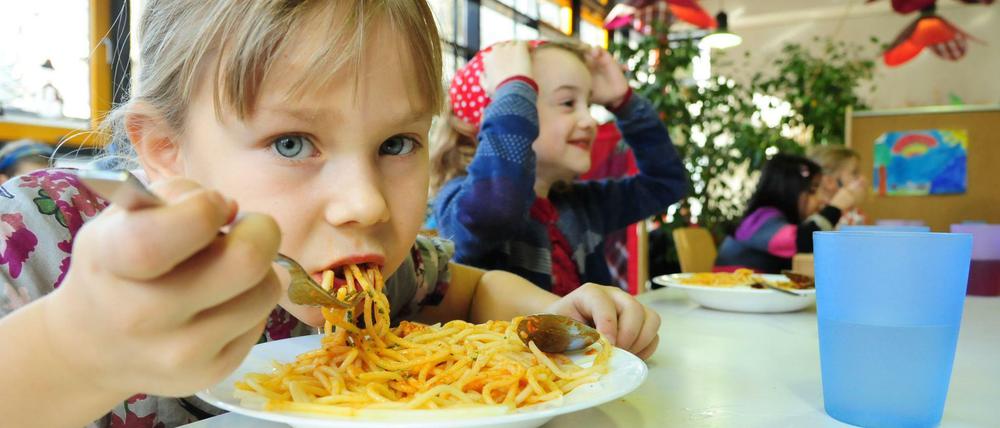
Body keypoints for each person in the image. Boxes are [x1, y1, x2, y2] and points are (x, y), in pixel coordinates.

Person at [0, 2, 660, 427]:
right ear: (167, 151)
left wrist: (551, 314)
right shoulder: (39, 235)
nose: (367, 203)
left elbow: (474, 287)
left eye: (396, 144)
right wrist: (71, 349)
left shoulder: (371, 271)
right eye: (292, 143)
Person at [430, 41, 687, 296]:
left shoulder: (584, 205)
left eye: (590, 104)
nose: (590, 120)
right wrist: (515, 90)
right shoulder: (462, 203)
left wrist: (623, 102)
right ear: (497, 114)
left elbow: (665, 183)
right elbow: (497, 209)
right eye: (567, 103)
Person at [715, 153, 865, 273]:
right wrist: (835, 207)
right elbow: (802, 241)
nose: (819, 199)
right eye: (812, 191)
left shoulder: (778, 221)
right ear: (789, 192)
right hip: (735, 291)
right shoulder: (760, 219)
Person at [808, 145, 866, 226]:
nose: (862, 179)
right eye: (854, 173)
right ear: (829, 182)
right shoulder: (816, 218)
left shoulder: (852, 213)